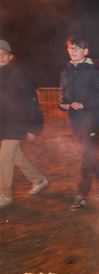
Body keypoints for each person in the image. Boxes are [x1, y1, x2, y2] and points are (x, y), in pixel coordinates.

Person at [60, 36, 99, 211]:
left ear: (85, 51)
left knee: (86, 156)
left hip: (92, 122)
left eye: (76, 48)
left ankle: (81, 194)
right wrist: (63, 104)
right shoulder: (65, 72)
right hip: (75, 123)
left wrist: (84, 104)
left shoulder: (94, 72)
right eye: (70, 48)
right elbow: (63, 95)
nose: (72, 51)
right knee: (89, 155)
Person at [0, 39, 49, 209]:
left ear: (10, 57)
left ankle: (4, 195)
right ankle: (39, 180)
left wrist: (33, 127)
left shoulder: (18, 75)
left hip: (17, 124)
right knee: (16, 157)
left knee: (4, 157)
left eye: (3, 54)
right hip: (4, 125)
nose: (0, 57)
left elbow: (31, 102)